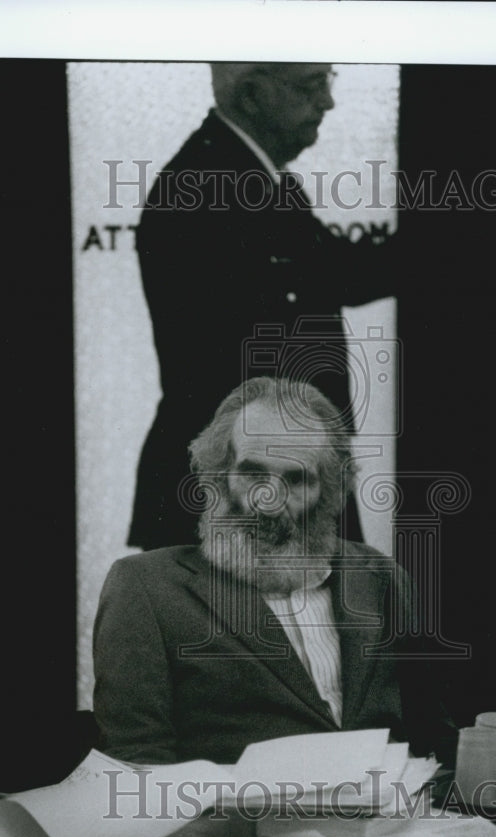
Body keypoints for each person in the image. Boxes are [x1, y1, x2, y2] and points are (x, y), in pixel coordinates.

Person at [95, 377, 455, 767]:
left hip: (391, 822)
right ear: (219, 476)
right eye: (253, 474)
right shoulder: (146, 588)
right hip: (238, 825)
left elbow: (432, 736)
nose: (270, 500)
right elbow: (138, 766)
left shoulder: (381, 577)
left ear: (329, 492)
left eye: (297, 479)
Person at [128, 62, 396, 550]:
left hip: (272, 474)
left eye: (327, 82)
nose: (327, 103)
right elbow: (226, 367)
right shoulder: (203, 188)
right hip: (245, 488)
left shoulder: (255, 180)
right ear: (252, 94)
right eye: (311, 85)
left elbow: (340, 273)